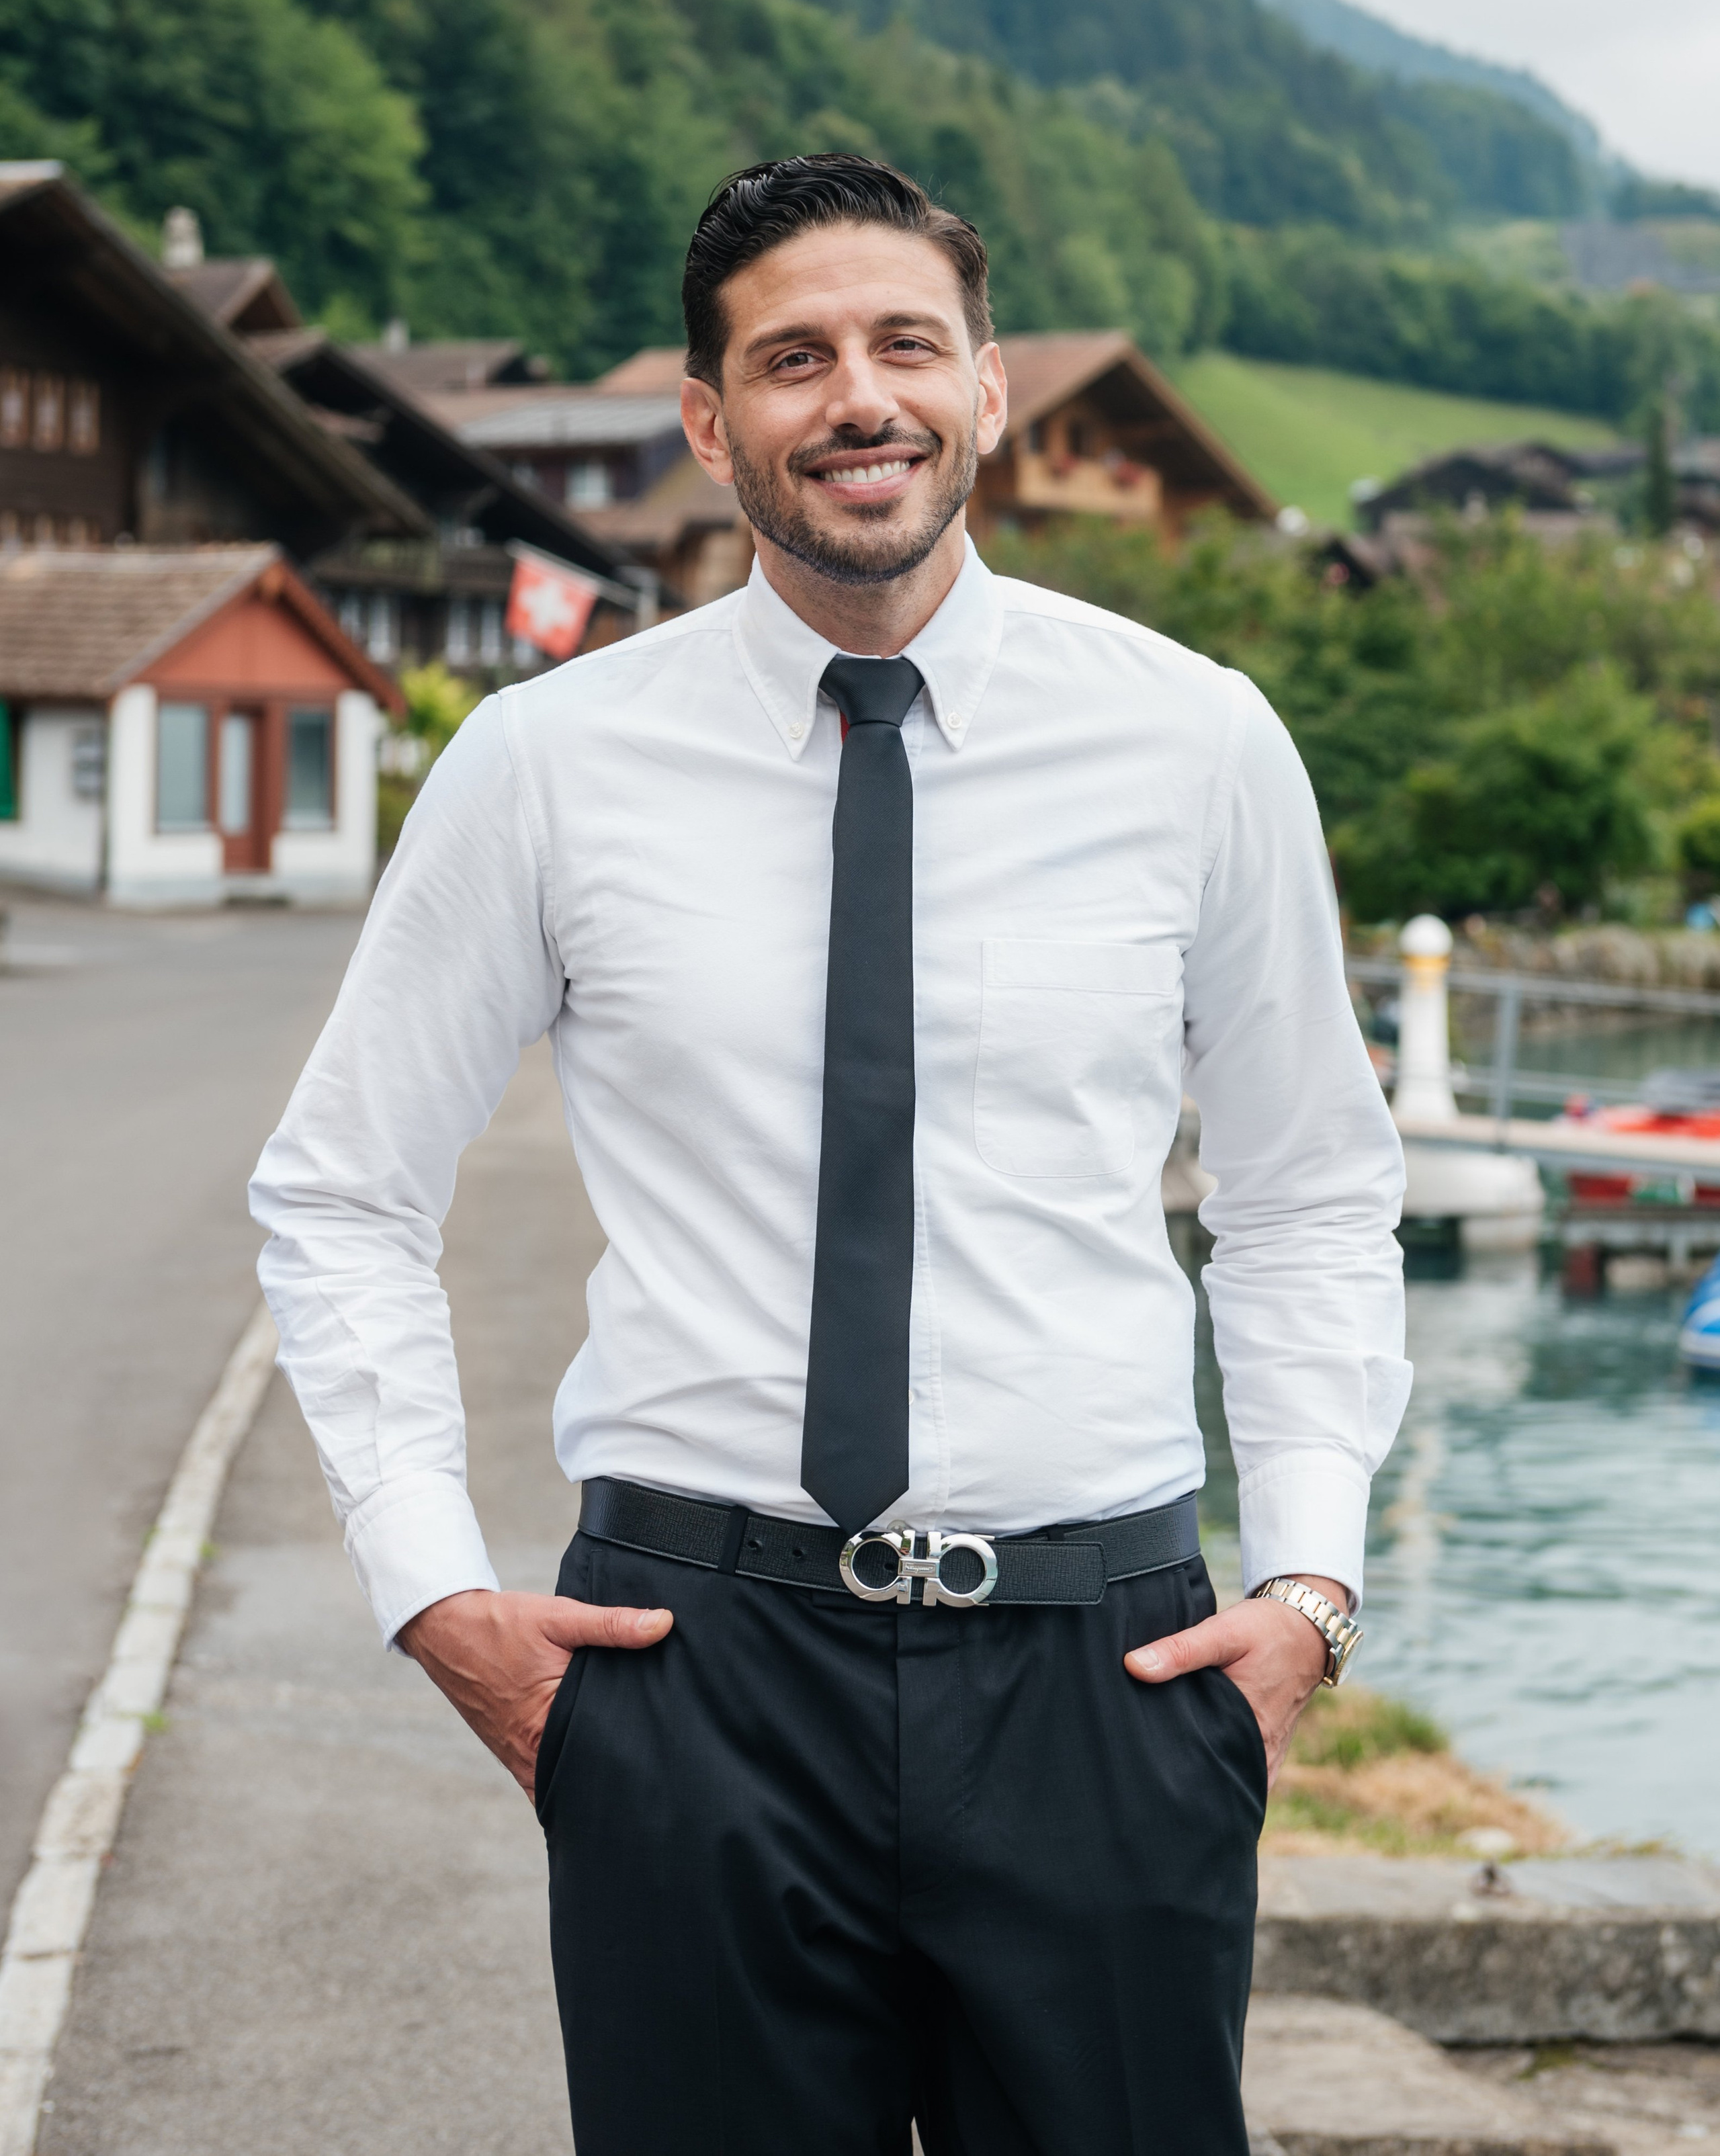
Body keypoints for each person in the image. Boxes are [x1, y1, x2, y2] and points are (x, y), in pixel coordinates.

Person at [251, 153, 1409, 2154]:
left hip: (1105, 1667)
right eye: (792, 358)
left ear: (984, 393)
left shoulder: (1199, 743)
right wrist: (434, 1588)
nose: (854, 397)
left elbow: (1309, 1183)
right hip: (700, 1670)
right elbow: (343, 1187)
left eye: (903, 345)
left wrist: (1311, 1579)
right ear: (712, 423)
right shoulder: (545, 767)